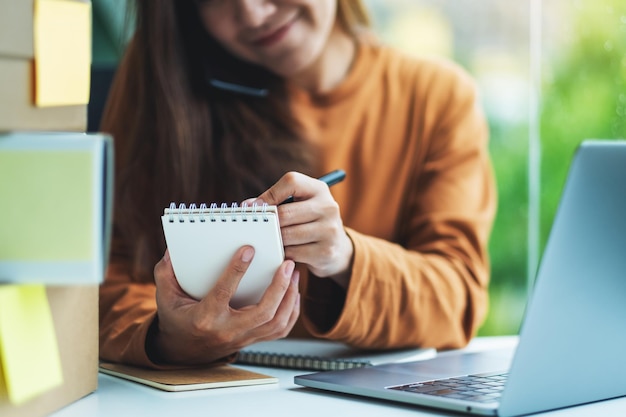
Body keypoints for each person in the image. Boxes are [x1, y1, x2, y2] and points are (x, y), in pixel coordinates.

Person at [99, 0, 496, 368]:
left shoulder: (437, 97)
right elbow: (97, 283)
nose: (253, 14)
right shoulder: (163, 84)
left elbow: (456, 299)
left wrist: (345, 256)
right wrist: (171, 338)